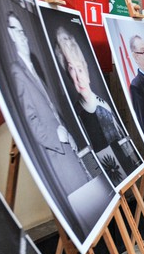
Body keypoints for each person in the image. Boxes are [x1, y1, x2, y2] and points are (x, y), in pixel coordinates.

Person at [4, 12, 88, 202]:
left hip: (66, 146)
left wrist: (67, 134)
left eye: (22, 30)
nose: (23, 35)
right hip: (56, 153)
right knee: (81, 201)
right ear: (10, 34)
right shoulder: (17, 72)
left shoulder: (30, 68)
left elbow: (50, 109)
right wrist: (57, 138)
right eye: (16, 30)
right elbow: (29, 120)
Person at [54, 26, 136, 180]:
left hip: (124, 169)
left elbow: (123, 141)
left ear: (86, 68)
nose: (78, 77)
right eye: (71, 69)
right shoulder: (76, 113)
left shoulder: (104, 105)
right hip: (103, 177)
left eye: (80, 69)